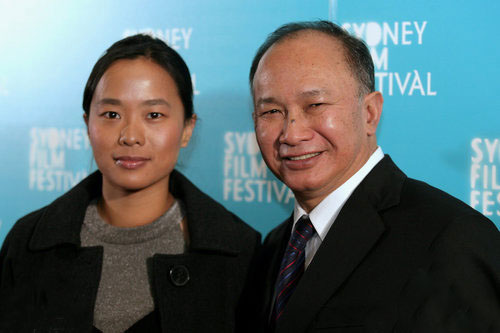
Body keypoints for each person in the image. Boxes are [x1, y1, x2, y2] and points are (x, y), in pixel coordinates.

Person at [249, 21, 500, 332]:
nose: (292, 133)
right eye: (271, 112)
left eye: (314, 104)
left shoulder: (449, 238)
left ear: (369, 113)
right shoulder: (272, 248)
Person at [0, 34, 260, 332]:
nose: (130, 135)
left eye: (153, 115)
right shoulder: (27, 244)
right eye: (111, 114)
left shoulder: (238, 252)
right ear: (88, 125)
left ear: (187, 128)